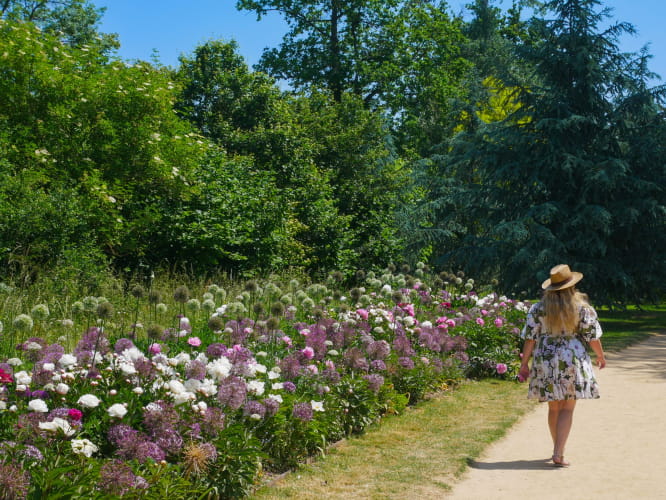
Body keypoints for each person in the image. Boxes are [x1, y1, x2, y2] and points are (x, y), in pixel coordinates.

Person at [518, 264, 606, 467]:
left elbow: (530, 338)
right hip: (572, 358)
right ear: (571, 286)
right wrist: (600, 356)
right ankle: (559, 451)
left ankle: (557, 448)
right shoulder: (582, 308)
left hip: (546, 358)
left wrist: (524, 364)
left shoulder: (538, 308)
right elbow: (592, 336)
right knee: (568, 407)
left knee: (554, 407)